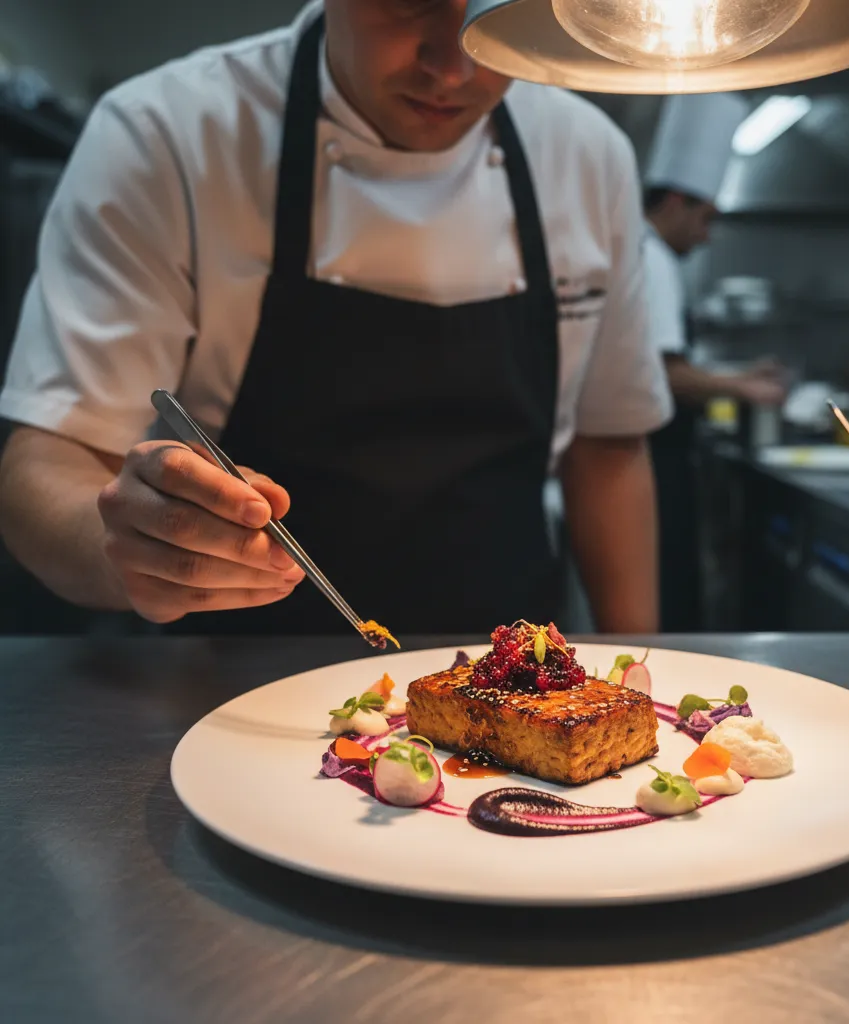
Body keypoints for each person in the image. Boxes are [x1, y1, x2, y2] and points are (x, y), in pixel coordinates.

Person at [0, 0, 672, 636]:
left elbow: (608, 449)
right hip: (228, 679)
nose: (454, 68)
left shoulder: (588, 154)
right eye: (410, 2)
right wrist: (128, 549)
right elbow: (48, 460)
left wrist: (647, 675)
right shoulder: (166, 132)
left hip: (518, 680)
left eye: (499, 8)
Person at [642, 94, 786, 631]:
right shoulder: (653, 258)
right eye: (705, 219)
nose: (706, 235)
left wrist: (739, 376)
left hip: (656, 455)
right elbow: (665, 375)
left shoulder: (644, 251)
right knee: (669, 593)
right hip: (652, 460)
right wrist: (746, 390)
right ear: (677, 201)